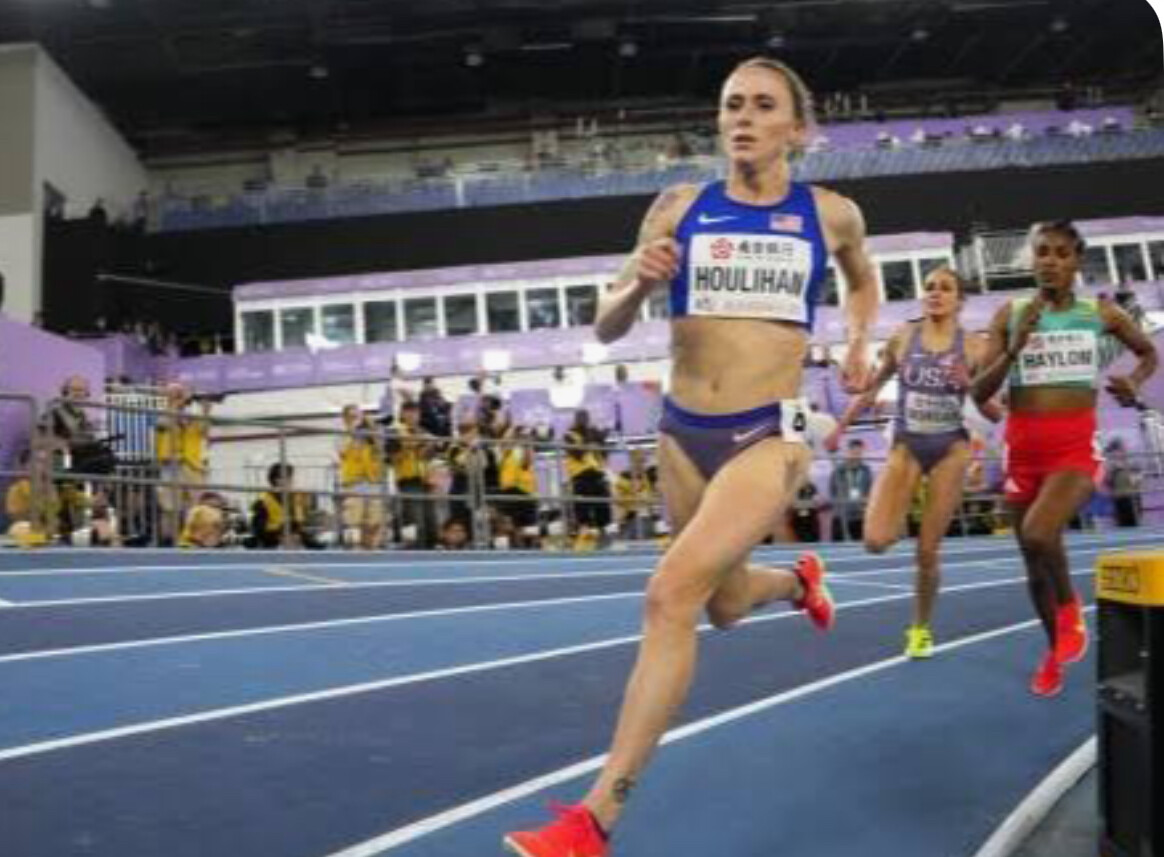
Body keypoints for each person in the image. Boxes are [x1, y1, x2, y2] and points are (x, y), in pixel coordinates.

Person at [504, 56, 879, 856]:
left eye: (763, 105)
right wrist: (638, 285)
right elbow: (605, 321)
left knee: (669, 596)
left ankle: (595, 818)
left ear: (796, 128)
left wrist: (856, 338)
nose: (743, 117)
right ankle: (798, 580)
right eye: (732, 104)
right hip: (682, 432)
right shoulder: (678, 207)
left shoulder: (831, 213)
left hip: (770, 432)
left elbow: (861, 280)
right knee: (726, 604)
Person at [971, 220, 1157, 697]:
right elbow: (978, 393)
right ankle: (1054, 651)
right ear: (1032, 259)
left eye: (1060, 253)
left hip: (1073, 449)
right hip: (1022, 452)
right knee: (1033, 565)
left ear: (1077, 262)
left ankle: (1070, 607)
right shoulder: (1010, 314)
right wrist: (1013, 350)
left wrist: (1134, 381)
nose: (1050, 261)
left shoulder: (1102, 313)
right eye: (1042, 252)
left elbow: (1147, 353)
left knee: (1039, 532)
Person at [825, 266, 1002, 658]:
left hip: (950, 449)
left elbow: (995, 412)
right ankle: (899, 515)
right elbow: (871, 390)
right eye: (930, 287)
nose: (935, 293)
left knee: (926, 552)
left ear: (959, 300)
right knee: (875, 541)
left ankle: (920, 629)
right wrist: (841, 426)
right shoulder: (904, 337)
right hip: (906, 445)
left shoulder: (975, 347)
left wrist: (968, 385)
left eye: (945, 288)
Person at [336, 404, 386, 550]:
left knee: (375, 520)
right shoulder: (342, 435)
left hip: (373, 481)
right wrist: (351, 432)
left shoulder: (371, 434)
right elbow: (341, 452)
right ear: (345, 419)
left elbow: (381, 451)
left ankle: (371, 548)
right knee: (354, 520)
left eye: (358, 416)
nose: (356, 419)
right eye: (352, 417)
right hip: (354, 482)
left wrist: (372, 432)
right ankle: (356, 549)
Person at [827, 438, 873, 541]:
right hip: (841, 517)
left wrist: (865, 506)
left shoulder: (866, 471)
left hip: (860, 517)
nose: (857, 456)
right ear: (848, 452)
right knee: (839, 547)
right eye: (854, 453)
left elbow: (870, 491)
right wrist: (840, 508)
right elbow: (832, 491)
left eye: (859, 453)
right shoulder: (838, 470)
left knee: (861, 547)